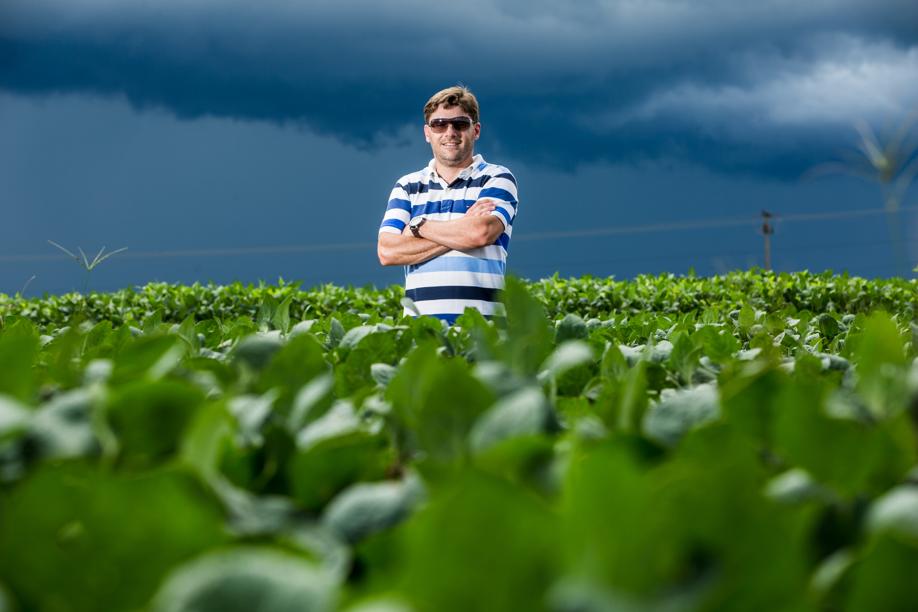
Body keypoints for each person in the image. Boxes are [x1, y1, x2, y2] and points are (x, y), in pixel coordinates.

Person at [377, 86, 518, 324]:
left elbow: (480, 232)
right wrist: (463, 226)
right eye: (439, 124)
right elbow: (388, 252)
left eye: (460, 124)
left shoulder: (498, 178)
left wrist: (417, 225)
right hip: (420, 334)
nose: (450, 132)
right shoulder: (407, 186)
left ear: (476, 130)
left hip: (485, 333)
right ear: (427, 132)